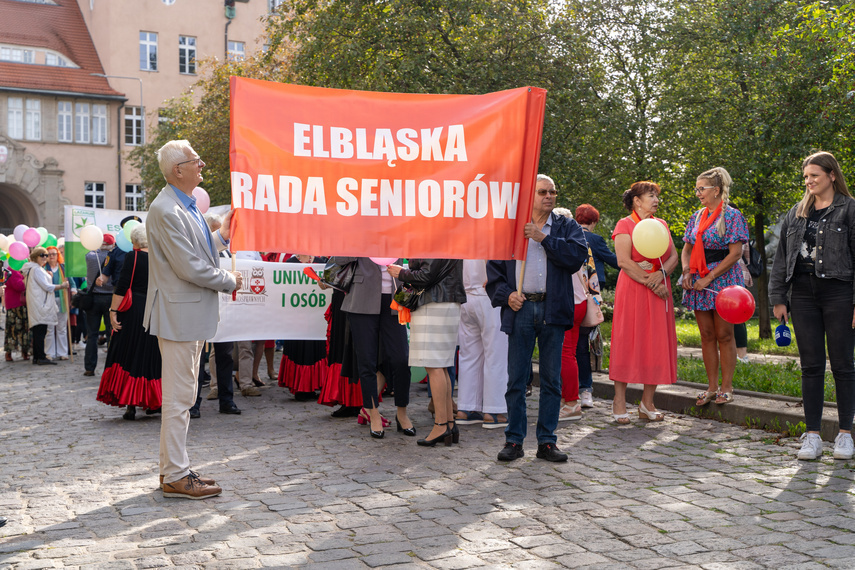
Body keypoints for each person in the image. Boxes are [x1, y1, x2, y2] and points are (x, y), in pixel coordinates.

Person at [144, 139, 241, 499]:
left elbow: (196, 252)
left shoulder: (183, 205)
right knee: (180, 398)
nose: (201, 164)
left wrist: (221, 237)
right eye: (195, 160)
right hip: (179, 315)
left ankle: (176, 469)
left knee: (183, 396)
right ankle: (174, 475)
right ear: (177, 170)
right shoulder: (167, 209)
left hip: (187, 314)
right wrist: (230, 280)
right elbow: (188, 267)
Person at [486, 174, 588, 462]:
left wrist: (543, 238)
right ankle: (514, 441)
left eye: (553, 191)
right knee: (517, 379)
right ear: (529, 196)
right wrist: (507, 295)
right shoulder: (509, 228)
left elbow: (575, 259)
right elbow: (493, 272)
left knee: (551, 379)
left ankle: (547, 441)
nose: (549, 196)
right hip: (521, 309)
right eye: (543, 191)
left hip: (553, 309)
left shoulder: (566, 226)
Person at [769, 151, 855, 461]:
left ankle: (845, 434)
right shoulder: (796, 213)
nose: (809, 181)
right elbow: (782, 259)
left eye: (815, 176)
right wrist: (778, 298)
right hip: (802, 294)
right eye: (806, 177)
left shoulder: (849, 210)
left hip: (840, 293)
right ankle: (813, 435)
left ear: (832, 175)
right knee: (811, 366)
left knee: (844, 364)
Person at [609, 181, 679, 423]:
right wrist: (652, 283)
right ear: (637, 200)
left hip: (659, 286)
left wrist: (663, 274)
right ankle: (619, 401)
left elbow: (673, 255)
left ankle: (647, 403)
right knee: (628, 340)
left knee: (655, 344)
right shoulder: (624, 224)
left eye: (657, 195)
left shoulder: (662, 224)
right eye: (651, 195)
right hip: (634, 288)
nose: (656, 199)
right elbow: (624, 262)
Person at [681, 168, 749, 406]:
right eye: (697, 188)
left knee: (724, 334)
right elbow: (687, 248)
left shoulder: (732, 216)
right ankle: (711, 387)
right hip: (698, 278)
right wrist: (686, 270)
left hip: (722, 280)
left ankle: (727, 387)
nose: (698, 193)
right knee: (707, 335)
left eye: (702, 188)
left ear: (717, 190)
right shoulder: (696, 217)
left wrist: (708, 278)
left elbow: (736, 253)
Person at [333, 257, 413, 438]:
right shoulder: (358, 230)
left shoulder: (398, 230)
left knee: (401, 358)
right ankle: (372, 413)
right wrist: (359, 241)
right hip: (362, 298)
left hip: (396, 298)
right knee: (366, 360)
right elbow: (339, 258)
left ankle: (402, 412)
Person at [389, 259, 466, 445]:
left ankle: (441, 425)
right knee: (441, 365)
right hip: (446, 299)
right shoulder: (449, 234)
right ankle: (448, 423)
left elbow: (426, 274)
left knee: (434, 366)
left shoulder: (432, 235)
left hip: (434, 302)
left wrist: (401, 273)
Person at [97, 225, 163, 420]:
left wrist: (113, 311)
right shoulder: (160, 258)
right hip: (154, 309)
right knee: (150, 355)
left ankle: (130, 405)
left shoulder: (132, 258)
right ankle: (152, 401)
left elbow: (122, 286)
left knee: (127, 353)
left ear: (134, 241)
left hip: (133, 310)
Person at [454, 259, 509, 429]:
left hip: (466, 293)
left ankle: (467, 407)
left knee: (469, 354)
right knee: (496, 354)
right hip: (487, 292)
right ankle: (493, 410)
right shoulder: (490, 232)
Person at [574, 204, 618, 408]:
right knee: (584, 346)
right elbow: (614, 261)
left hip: (571, 294)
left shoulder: (568, 235)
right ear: (593, 222)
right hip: (591, 295)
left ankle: (571, 389)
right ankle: (585, 389)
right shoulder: (595, 239)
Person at [23, 247, 70, 366]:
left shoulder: (35, 269)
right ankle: (41, 357)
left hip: (38, 303)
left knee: (39, 331)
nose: (45, 258)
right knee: (41, 332)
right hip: (40, 304)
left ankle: (38, 357)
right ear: (35, 257)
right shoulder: (36, 269)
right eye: (42, 255)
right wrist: (62, 286)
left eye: (46, 255)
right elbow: (47, 286)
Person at [83, 234, 115, 376]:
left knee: (92, 335)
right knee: (110, 334)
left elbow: (90, 251)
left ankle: (90, 368)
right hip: (110, 298)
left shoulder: (90, 256)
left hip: (94, 298)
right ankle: (111, 368)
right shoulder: (114, 257)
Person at [44, 246, 72, 360]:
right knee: (50, 328)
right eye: (49, 254)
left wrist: (73, 289)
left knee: (61, 327)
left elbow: (71, 281)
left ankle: (62, 352)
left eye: (54, 254)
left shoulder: (63, 268)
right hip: (49, 300)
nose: (51, 256)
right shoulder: (43, 268)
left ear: (57, 255)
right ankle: (50, 353)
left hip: (62, 299)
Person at [4, 265, 30, 362]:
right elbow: (19, 286)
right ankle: (9, 352)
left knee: (25, 328)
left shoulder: (22, 269)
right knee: (12, 329)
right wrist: (26, 278)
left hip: (23, 303)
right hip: (14, 303)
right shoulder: (12, 270)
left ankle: (25, 351)